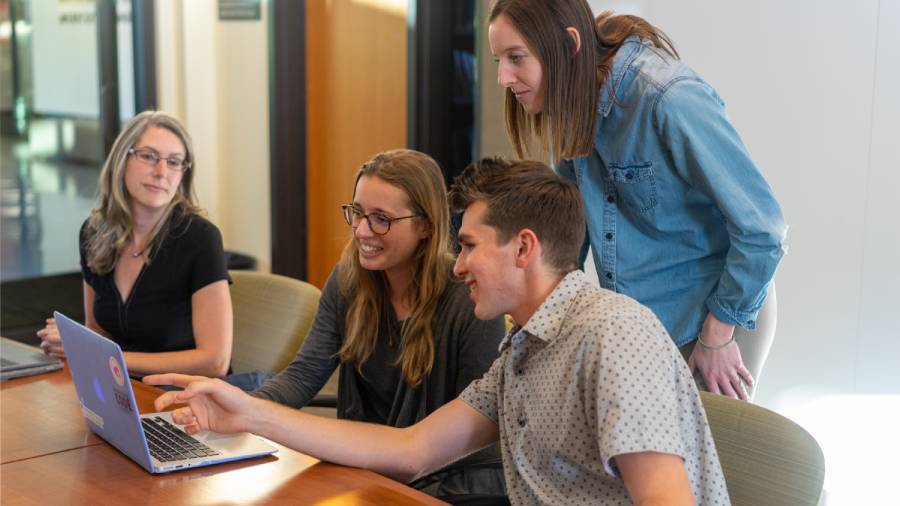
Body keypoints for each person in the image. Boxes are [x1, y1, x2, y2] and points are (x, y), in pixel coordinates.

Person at [146, 158, 729, 506]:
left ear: (523, 248)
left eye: (470, 246)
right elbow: (411, 449)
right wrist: (247, 413)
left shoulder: (613, 331)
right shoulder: (521, 351)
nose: (457, 264)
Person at [487, 0, 787, 400]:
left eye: (516, 58)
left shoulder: (668, 98)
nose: (503, 78)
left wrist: (717, 335)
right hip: (643, 328)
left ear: (569, 44)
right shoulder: (574, 106)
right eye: (498, 60)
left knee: (704, 460)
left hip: (713, 322)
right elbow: (568, 234)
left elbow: (763, 228)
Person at [248, 150, 506, 498]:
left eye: (381, 218)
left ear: (426, 225)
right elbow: (304, 373)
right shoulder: (348, 281)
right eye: (357, 212)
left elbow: (473, 438)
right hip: (360, 469)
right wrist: (244, 408)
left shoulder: (467, 299)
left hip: (439, 482)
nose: (361, 230)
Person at [37, 111, 232, 378]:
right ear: (122, 160)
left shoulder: (200, 238)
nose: (161, 172)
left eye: (174, 162)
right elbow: (97, 329)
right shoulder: (93, 233)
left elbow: (215, 362)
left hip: (184, 398)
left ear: (183, 174)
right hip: (119, 387)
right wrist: (71, 341)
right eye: (149, 156)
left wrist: (101, 355)